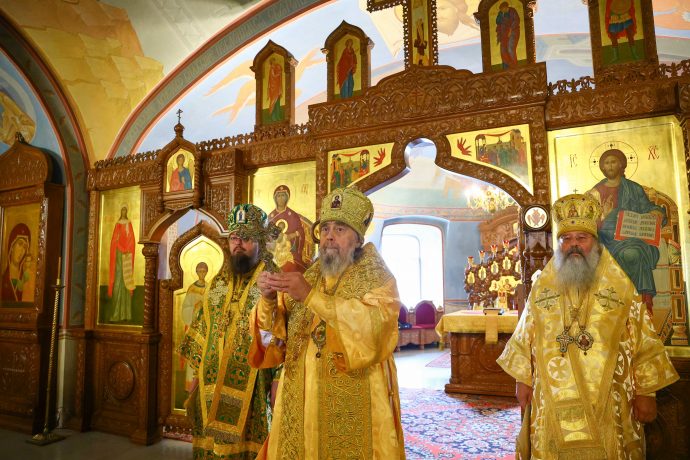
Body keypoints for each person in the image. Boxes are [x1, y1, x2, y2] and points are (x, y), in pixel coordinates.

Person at [497, 193, 679, 459]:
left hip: (608, 400)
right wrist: (521, 380)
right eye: (566, 239)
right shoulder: (543, 287)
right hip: (551, 400)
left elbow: (644, 340)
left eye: (581, 238)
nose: (574, 245)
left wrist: (646, 392)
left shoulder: (620, 287)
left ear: (594, 242)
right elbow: (524, 336)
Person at [249, 187, 405, 459]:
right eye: (325, 229)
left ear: (358, 239)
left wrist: (311, 297)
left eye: (340, 229)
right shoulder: (309, 275)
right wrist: (268, 299)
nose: (329, 236)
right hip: (300, 399)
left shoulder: (378, 278)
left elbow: (374, 330)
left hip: (356, 399)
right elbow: (274, 339)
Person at [178, 204, 280, 459]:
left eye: (246, 238)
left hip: (254, 386)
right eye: (234, 238)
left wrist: (279, 379)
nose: (238, 244)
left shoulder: (274, 280)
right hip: (210, 385)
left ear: (260, 241)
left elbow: (284, 334)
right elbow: (203, 329)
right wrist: (194, 377)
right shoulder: (219, 280)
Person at [586, 148, 666, 313]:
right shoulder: (595, 193)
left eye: (613, 162)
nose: (610, 166)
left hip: (632, 236)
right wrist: (605, 215)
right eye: (606, 163)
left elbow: (647, 208)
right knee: (628, 253)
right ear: (602, 167)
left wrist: (656, 212)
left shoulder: (634, 189)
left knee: (634, 252)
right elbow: (588, 224)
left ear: (621, 164)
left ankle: (641, 305)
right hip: (604, 238)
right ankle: (618, 306)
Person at [179, 262, 208, 399]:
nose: (202, 274)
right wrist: (196, 307)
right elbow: (185, 308)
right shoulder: (192, 288)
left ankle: (202, 387)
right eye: (200, 271)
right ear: (196, 272)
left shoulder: (209, 287)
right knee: (192, 357)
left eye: (204, 271)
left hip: (205, 330)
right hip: (193, 328)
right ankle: (190, 387)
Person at [267, 185, 314, 273]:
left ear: (287, 198)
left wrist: (292, 235)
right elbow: (266, 237)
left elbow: (301, 231)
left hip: (291, 252)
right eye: (278, 196)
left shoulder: (293, 215)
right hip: (274, 252)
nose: (281, 198)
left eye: (283, 195)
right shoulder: (271, 216)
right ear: (275, 198)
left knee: (292, 267)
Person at [109, 205, 136, 322]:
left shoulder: (129, 224)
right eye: (122, 210)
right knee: (118, 281)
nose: (124, 211)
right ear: (121, 211)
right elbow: (114, 240)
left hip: (127, 256)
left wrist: (127, 249)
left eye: (125, 210)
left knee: (126, 282)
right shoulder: (117, 224)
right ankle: (116, 314)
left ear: (127, 211)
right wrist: (121, 248)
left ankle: (126, 314)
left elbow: (132, 240)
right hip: (119, 255)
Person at [1, 223, 33, 303]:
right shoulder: (3, 278)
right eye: (20, 244)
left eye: (25, 247)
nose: (22, 251)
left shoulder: (25, 277)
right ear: (12, 246)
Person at [496, 1, 520, 69]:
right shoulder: (501, 13)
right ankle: (506, 65)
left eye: (502, 9)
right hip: (503, 33)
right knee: (503, 49)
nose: (502, 10)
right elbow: (497, 21)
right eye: (501, 10)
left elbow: (517, 20)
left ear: (506, 7)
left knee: (510, 48)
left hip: (513, 32)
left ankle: (514, 65)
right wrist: (501, 16)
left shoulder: (512, 11)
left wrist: (511, 29)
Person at [266, 57, 283, 122]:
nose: (274, 62)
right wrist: (279, 73)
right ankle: (273, 117)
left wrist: (279, 71)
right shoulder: (272, 68)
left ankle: (278, 116)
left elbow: (276, 76)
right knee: (273, 102)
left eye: (274, 60)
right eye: (273, 61)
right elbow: (273, 76)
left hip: (277, 87)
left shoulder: (275, 67)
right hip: (273, 89)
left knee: (277, 102)